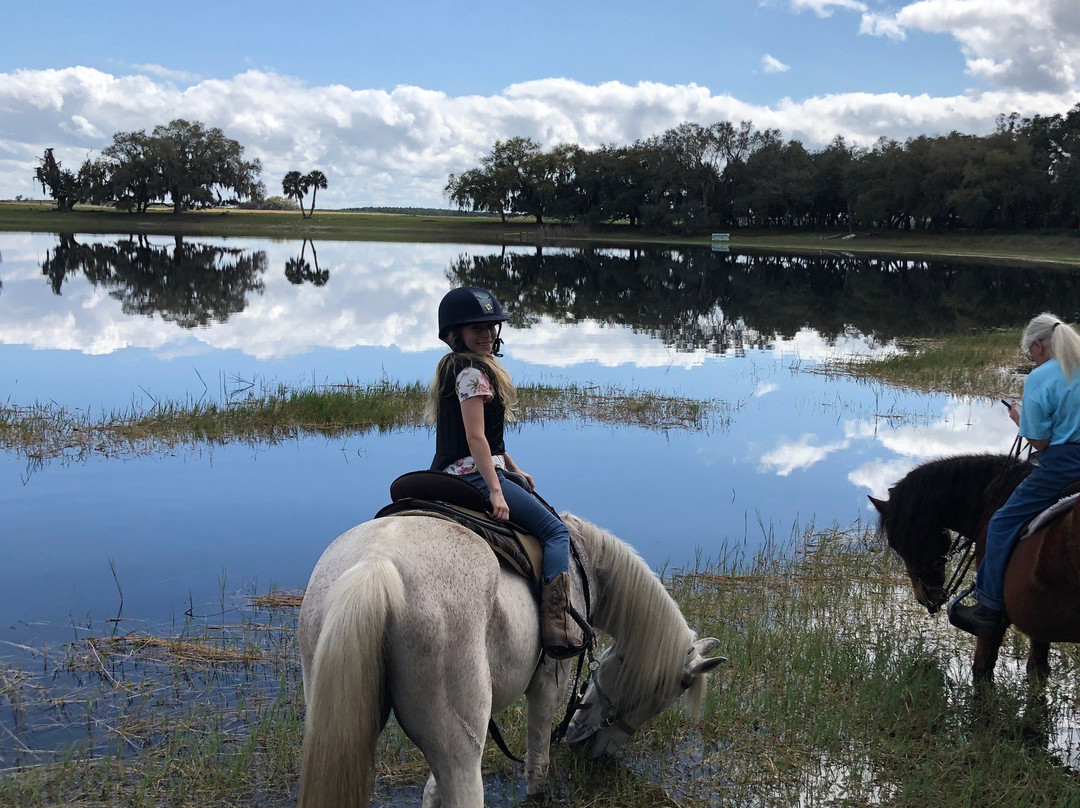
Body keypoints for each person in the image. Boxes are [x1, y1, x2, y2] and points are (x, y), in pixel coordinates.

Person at [425, 286, 586, 659]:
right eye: (475, 328)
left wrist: (513, 467)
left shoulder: (456, 369)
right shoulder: (474, 375)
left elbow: (490, 440)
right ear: (456, 334)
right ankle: (557, 625)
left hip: (454, 469)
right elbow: (476, 438)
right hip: (475, 476)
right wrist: (496, 490)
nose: (486, 334)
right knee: (556, 532)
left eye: (491, 326)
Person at [949, 312, 1080, 640]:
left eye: (1029, 352)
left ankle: (988, 606)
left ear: (1038, 346)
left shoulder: (1041, 377)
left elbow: (1040, 441)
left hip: (1064, 465)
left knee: (1003, 522)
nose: (1031, 358)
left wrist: (1020, 417)